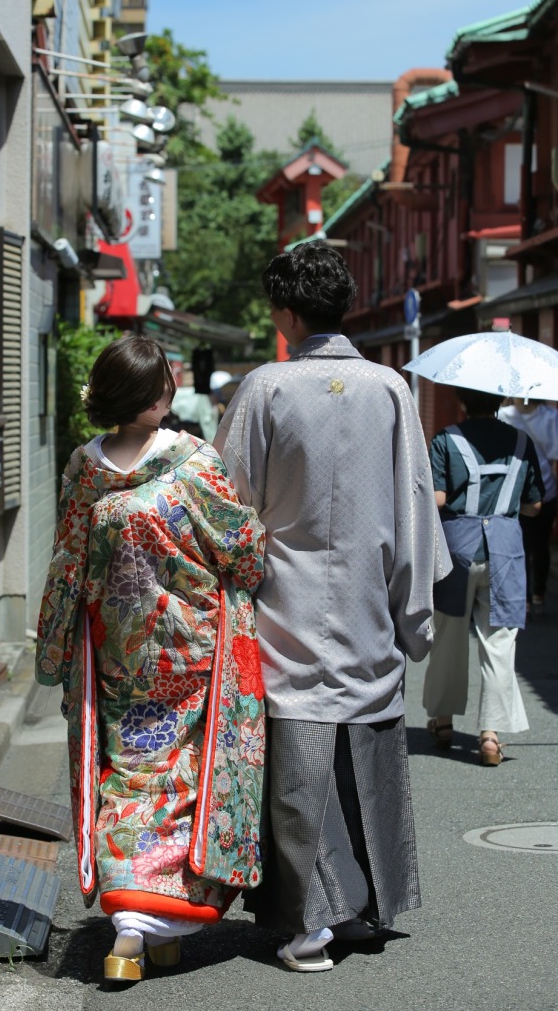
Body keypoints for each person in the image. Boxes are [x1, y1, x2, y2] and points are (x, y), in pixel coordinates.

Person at [214, 240, 450, 974]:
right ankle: (361, 909)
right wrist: (415, 611)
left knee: (298, 772)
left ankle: (309, 923)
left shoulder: (267, 389)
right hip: (370, 603)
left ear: (286, 314)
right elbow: (416, 508)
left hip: (287, 608)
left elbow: (227, 506)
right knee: (366, 761)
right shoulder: (388, 390)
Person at [35, 336, 266, 983]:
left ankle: (133, 927)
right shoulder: (192, 462)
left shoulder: (85, 469)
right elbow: (240, 551)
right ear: (157, 394)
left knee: (130, 772)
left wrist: (55, 652)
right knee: (189, 781)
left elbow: (67, 566)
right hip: (192, 651)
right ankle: (155, 923)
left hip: (121, 654)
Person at [422, 387, 543, 766]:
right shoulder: (522, 441)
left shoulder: (445, 438)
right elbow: (535, 505)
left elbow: (437, 498)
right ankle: (490, 736)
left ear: (462, 402)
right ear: (500, 402)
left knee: (448, 634)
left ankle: (442, 722)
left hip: (458, 547)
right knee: (499, 640)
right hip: (504, 549)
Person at [497, 398, 558, 612]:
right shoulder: (549, 416)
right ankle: (538, 593)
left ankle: (522, 597)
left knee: (518, 544)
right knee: (540, 544)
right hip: (544, 488)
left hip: (512, 489)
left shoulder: (503, 415)